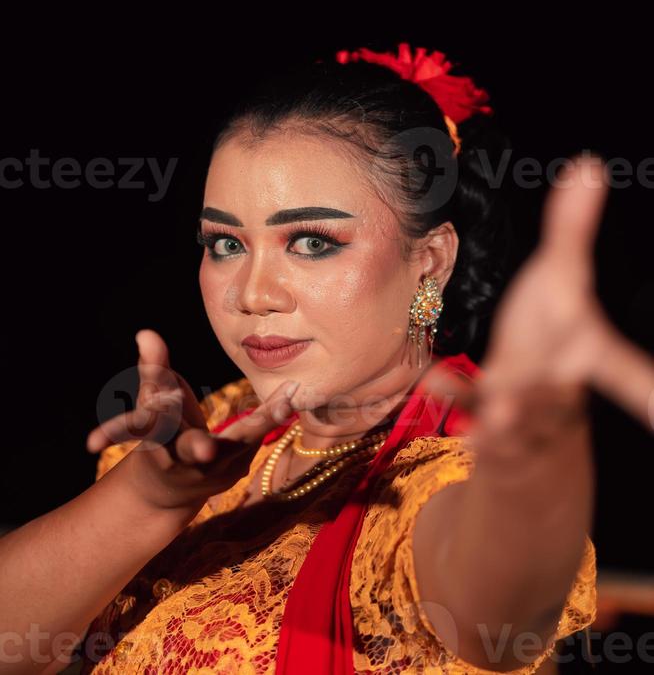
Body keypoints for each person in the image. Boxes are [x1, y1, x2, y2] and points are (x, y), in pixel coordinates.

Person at [2, 43, 653, 675]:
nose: (253, 294)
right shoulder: (213, 431)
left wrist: (535, 469)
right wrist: (147, 499)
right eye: (225, 242)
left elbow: (499, 612)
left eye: (311, 241)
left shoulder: (435, 479)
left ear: (431, 260)